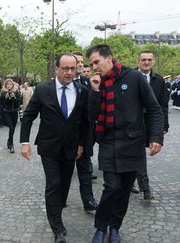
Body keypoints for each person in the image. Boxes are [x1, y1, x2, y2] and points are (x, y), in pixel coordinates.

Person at [86, 45, 164, 243]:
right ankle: (100, 227)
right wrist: (94, 90)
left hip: (133, 144)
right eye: (91, 64)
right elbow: (91, 116)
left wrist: (156, 136)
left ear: (109, 57)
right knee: (111, 187)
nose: (94, 67)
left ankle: (115, 227)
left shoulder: (133, 77)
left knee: (124, 191)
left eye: (97, 62)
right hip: (108, 142)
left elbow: (154, 108)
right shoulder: (97, 82)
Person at [20, 53, 89, 243]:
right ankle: (57, 228)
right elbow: (28, 117)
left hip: (71, 147)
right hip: (48, 146)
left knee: (65, 185)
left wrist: (82, 144)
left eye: (72, 68)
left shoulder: (83, 91)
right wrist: (24, 142)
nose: (69, 72)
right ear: (56, 69)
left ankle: (58, 207)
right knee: (53, 184)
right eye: (65, 68)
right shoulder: (43, 89)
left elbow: (84, 121)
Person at [131, 50, 170, 199]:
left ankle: (132, 181)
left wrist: (163, 126)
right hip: (133, 122)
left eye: (149, 60)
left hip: (150, 122)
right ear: (138, 61)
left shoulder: (159, 81)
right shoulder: (129, 78)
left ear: (152, 61)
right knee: (139, 153)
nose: (146, 62)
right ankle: (145, 188)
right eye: (143, 60)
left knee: (137, 153)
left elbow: (163, 105)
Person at [72, 51, 98, 212]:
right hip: (66, 137)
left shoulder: (88, 82)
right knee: (63, 173)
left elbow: (93, 110)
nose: (81, 64)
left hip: (84, 135)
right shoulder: (57, 84)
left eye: (82, 62)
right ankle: (60, 199)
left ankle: (88, 200)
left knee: (85, 171)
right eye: (78, 62)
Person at [2, 79, 21, 154]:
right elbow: (1, 103)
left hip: (14, 112)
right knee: (11, 127)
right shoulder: (3, 92)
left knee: (12, 129)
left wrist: (15, 98)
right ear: (5, 85)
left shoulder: (16, 92)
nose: (9, 85)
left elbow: (19, 102)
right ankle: (11, 145)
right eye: (7, 84)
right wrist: (5, 98)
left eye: (10, 84)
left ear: (12, 85)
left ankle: (9, 141)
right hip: (7, 112)